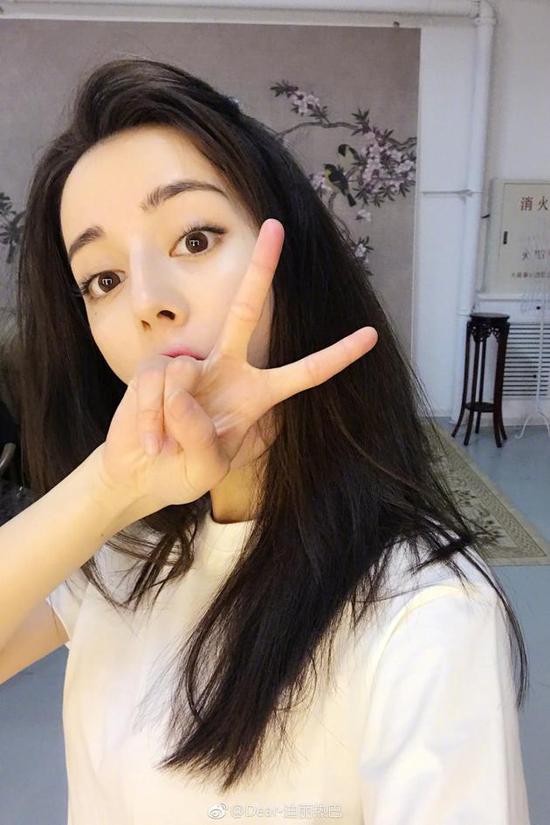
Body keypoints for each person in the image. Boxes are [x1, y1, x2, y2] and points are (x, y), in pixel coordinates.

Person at [0, 57, 531, 824]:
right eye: (103, 279)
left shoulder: (425, 612)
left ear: (291, 265)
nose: (147, 301)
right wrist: (109, 488)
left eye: (194, 237)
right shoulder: (119, 546)